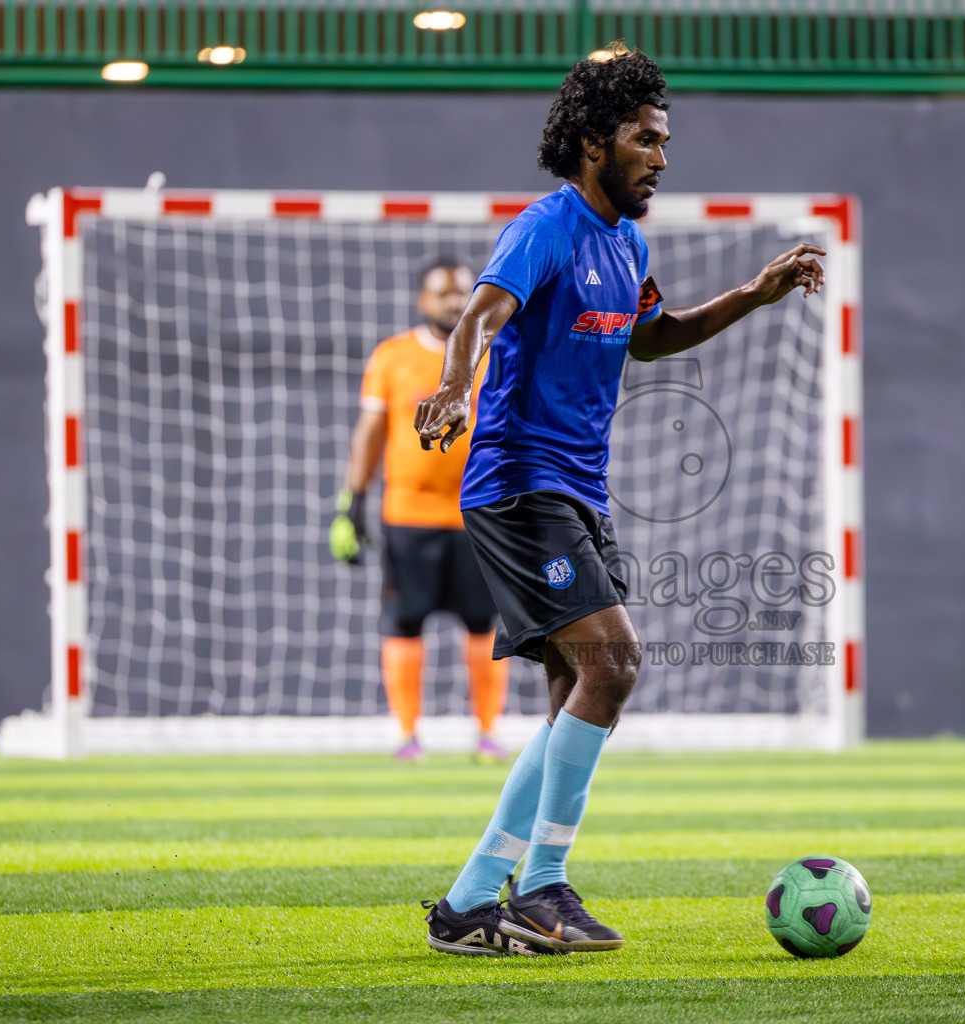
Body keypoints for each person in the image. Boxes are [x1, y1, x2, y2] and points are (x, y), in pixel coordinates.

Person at [412, 45, 826, 957]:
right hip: (521, 483)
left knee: (575, 694)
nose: (663, 158)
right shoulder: (546, 226)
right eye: (648, 139)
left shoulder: (626, 241)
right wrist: (451, 387)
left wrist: (753, 295)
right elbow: (481, 314)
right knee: (616, 662)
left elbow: (650, 336)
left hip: (579, 492)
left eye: (664, 140)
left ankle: (472, 901)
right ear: (597, 143)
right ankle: (547, 886)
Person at [330, 259, 509, 763]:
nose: (454, 302)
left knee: (485, 623)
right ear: (422, 301)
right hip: (407, 517)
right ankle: (408, 736)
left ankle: (488, 733)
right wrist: (353, 502)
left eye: (462, 294)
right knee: (404, 622)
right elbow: (370, 431)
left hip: (481, 515)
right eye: (443, 294)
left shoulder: (495, 352)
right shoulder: (392, 357)